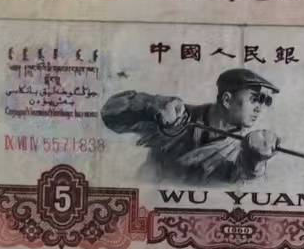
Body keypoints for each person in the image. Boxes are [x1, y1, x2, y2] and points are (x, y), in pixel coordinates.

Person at [101, 66, 279, 185]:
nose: (260, 108)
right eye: (255, 99)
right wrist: (150, 104)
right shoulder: (177, 117)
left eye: (265, 101)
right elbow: (110, 114)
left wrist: (255, 160)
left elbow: (240, 182)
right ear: (227, 100)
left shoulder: (245, 149)